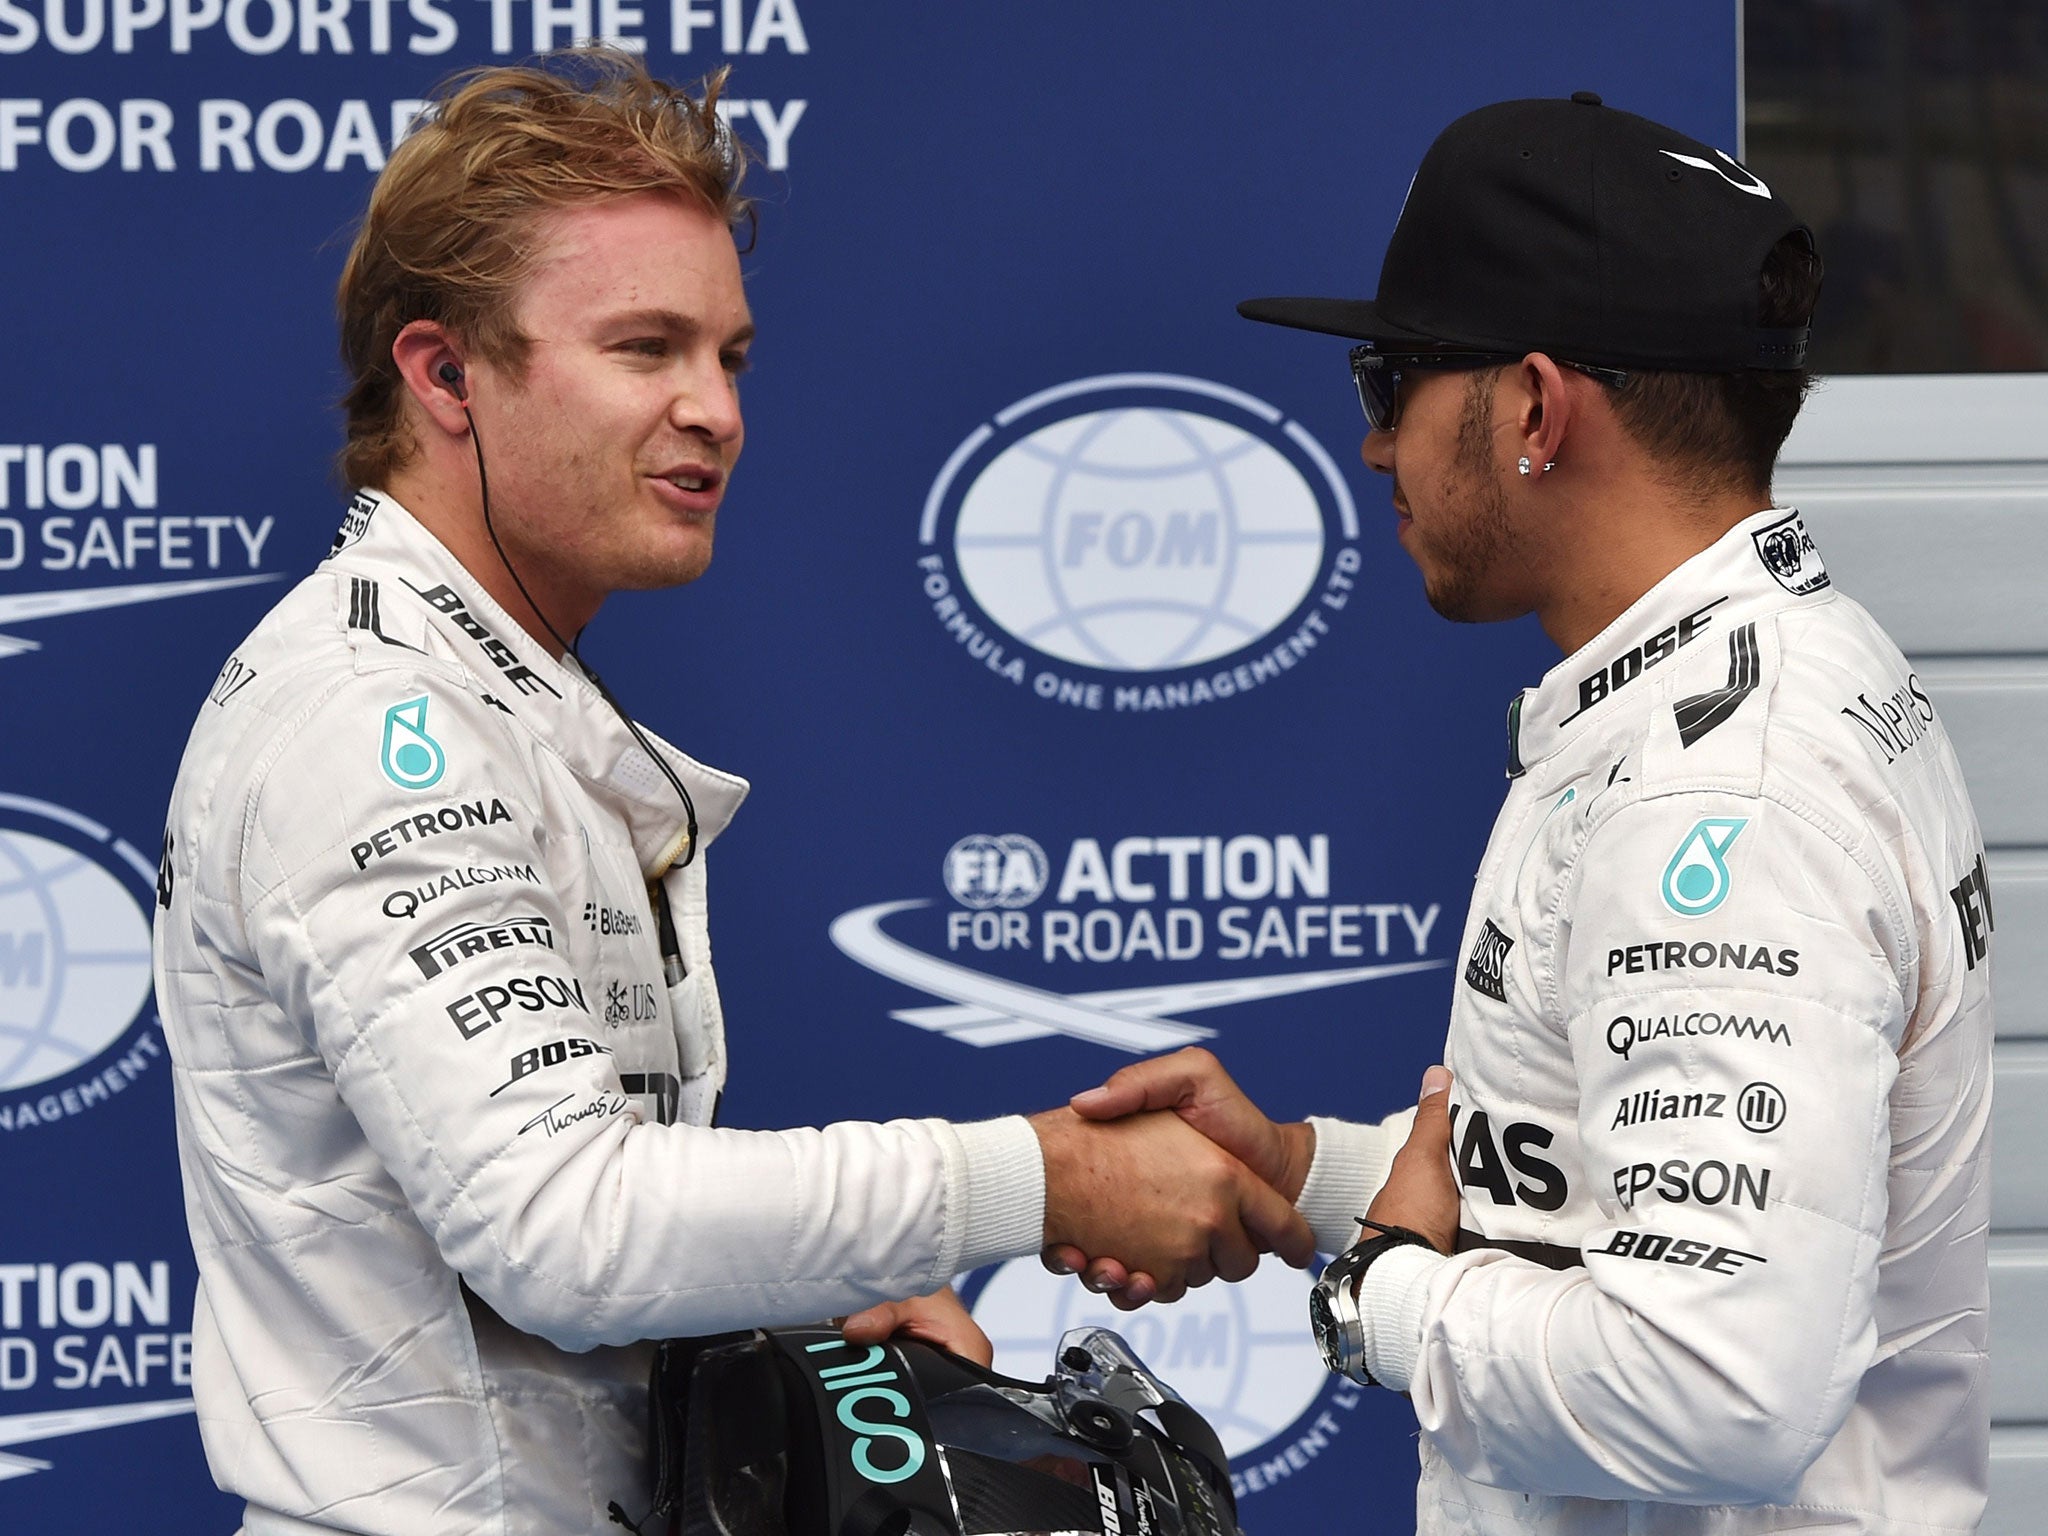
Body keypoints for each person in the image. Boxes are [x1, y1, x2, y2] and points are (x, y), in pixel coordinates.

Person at [151, 51, 1310, 1536]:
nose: (715, 411)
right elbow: (557, 1226)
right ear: (444, 375)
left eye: (732, 357)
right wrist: (1041, 1178)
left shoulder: (489, 683)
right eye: (645, 349)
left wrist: (795, 1293)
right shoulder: (378, 722)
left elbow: (539, 1226)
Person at [1051, 94, 1993, 1533]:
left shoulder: (1721, 792)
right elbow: (1605, 1210)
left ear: (1537, 409)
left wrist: (1379, 1299)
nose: (1375, 450)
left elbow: (1716, 1383)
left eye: (1390, 381)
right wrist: (1311, 1174)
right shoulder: (1733, 684)